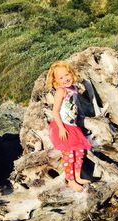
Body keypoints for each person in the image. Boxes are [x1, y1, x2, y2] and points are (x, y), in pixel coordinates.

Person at [46, 61, 91, 192]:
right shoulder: (60, 91)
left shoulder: (73, 89)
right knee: (69, 155)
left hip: (73, 125)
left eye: (67, 75)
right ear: (56, 81)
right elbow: (55, 111)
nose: (65, 79)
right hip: (63, 127)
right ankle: (70, 180)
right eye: (61, 77)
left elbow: (75, 105)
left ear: (71, 73)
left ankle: (78, 176)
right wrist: (61, 127)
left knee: (80, 152)